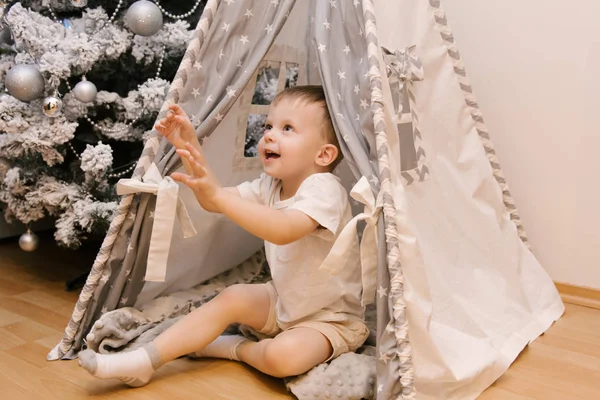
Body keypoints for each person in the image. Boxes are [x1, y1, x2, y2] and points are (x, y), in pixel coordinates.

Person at [78, 85, 369, 387]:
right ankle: (144, 360)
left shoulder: (325, 189)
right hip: (284, 301)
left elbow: (283, 229)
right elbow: (211, 198)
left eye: (287, 128)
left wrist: (217, 196)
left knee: (284, 357)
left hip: (329, 318)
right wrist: (190, 148)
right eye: (269, 125)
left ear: (323, 154)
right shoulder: (269, 185)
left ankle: (234, 350)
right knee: (233, 297)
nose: (269, 134)